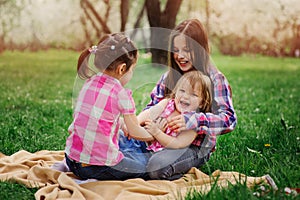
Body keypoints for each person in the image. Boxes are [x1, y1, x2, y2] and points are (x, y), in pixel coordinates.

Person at [121, 18, 237, 180]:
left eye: (187, 50)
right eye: (175, 49)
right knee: (117, 136)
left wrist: (194, 120)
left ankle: (144, 164)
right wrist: (136, 124)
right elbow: (152, 107)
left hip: (192, 147)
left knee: (156, 167)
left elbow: (229, 119)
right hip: (156, 137)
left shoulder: (215, 79)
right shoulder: (169, 77)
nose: (180, 56)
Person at [64, 33, 154, 181]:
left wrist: (122, 124)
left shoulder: (89, 82)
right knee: (146, 169)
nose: (132, 74)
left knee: (127, 154)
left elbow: (97, 118)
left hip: (71, 159)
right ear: (122, 68)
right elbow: (135, 131)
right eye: (132, 70)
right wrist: (153, 135)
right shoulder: (120, 94)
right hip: (96, 167)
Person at [139, 71, 212, 153]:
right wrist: (134, 122)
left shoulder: (192, 122)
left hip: (165, 152)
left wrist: (157, 133)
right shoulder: (167, 103)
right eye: (182, 91)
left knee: (158, 161)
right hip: (146, 142)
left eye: (193, 94)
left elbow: (177, 144)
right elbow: (149, 113)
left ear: (201, 103)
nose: (185, 96)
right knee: (125, 137)